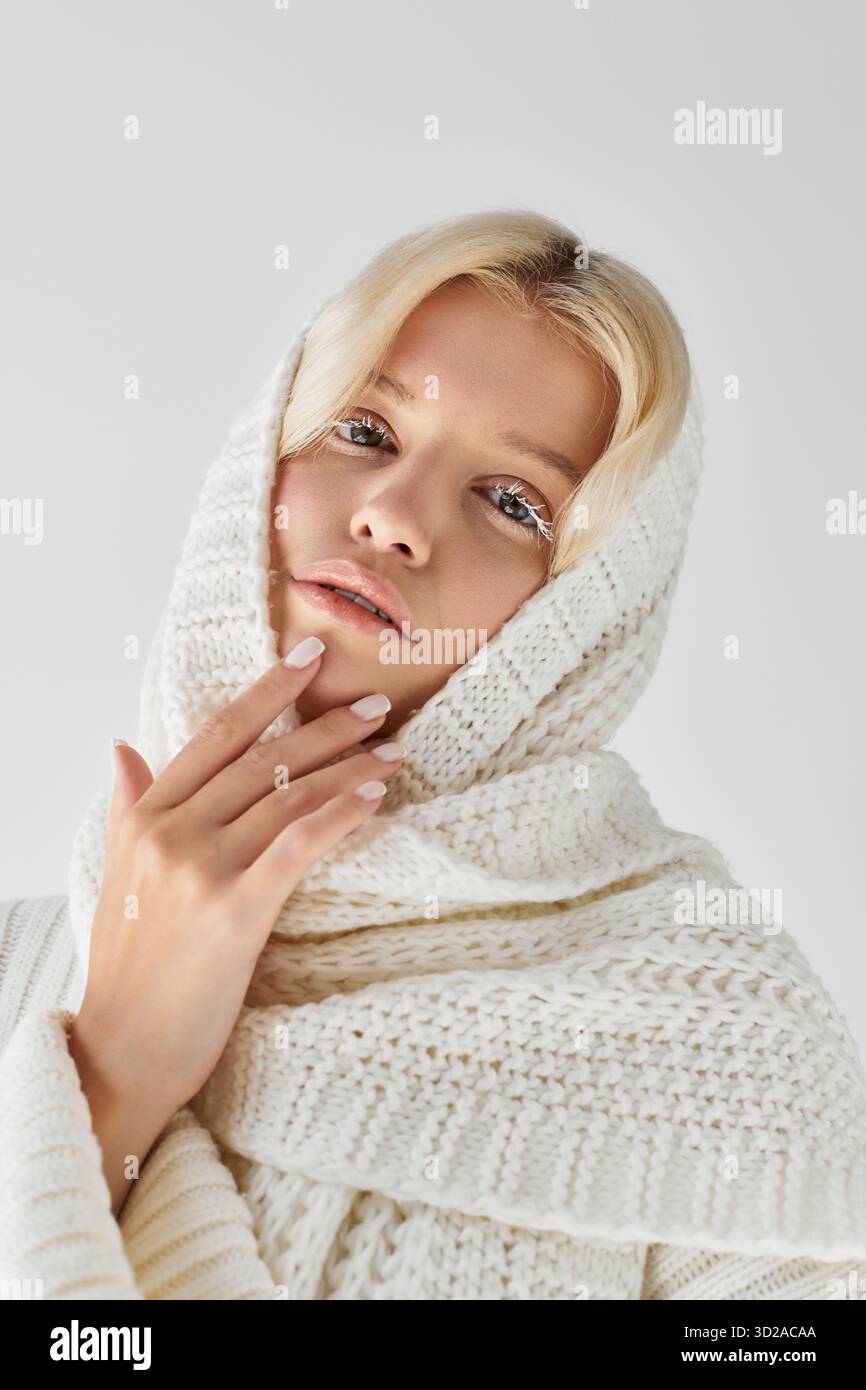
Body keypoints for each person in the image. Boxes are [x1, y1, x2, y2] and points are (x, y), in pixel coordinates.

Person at [1, 208, 865, 1301]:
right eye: (363, 432)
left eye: (512, 503)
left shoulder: (728, 1061)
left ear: (587, 616)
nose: (396, 518)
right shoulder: (16, 971)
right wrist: (111, 1076)